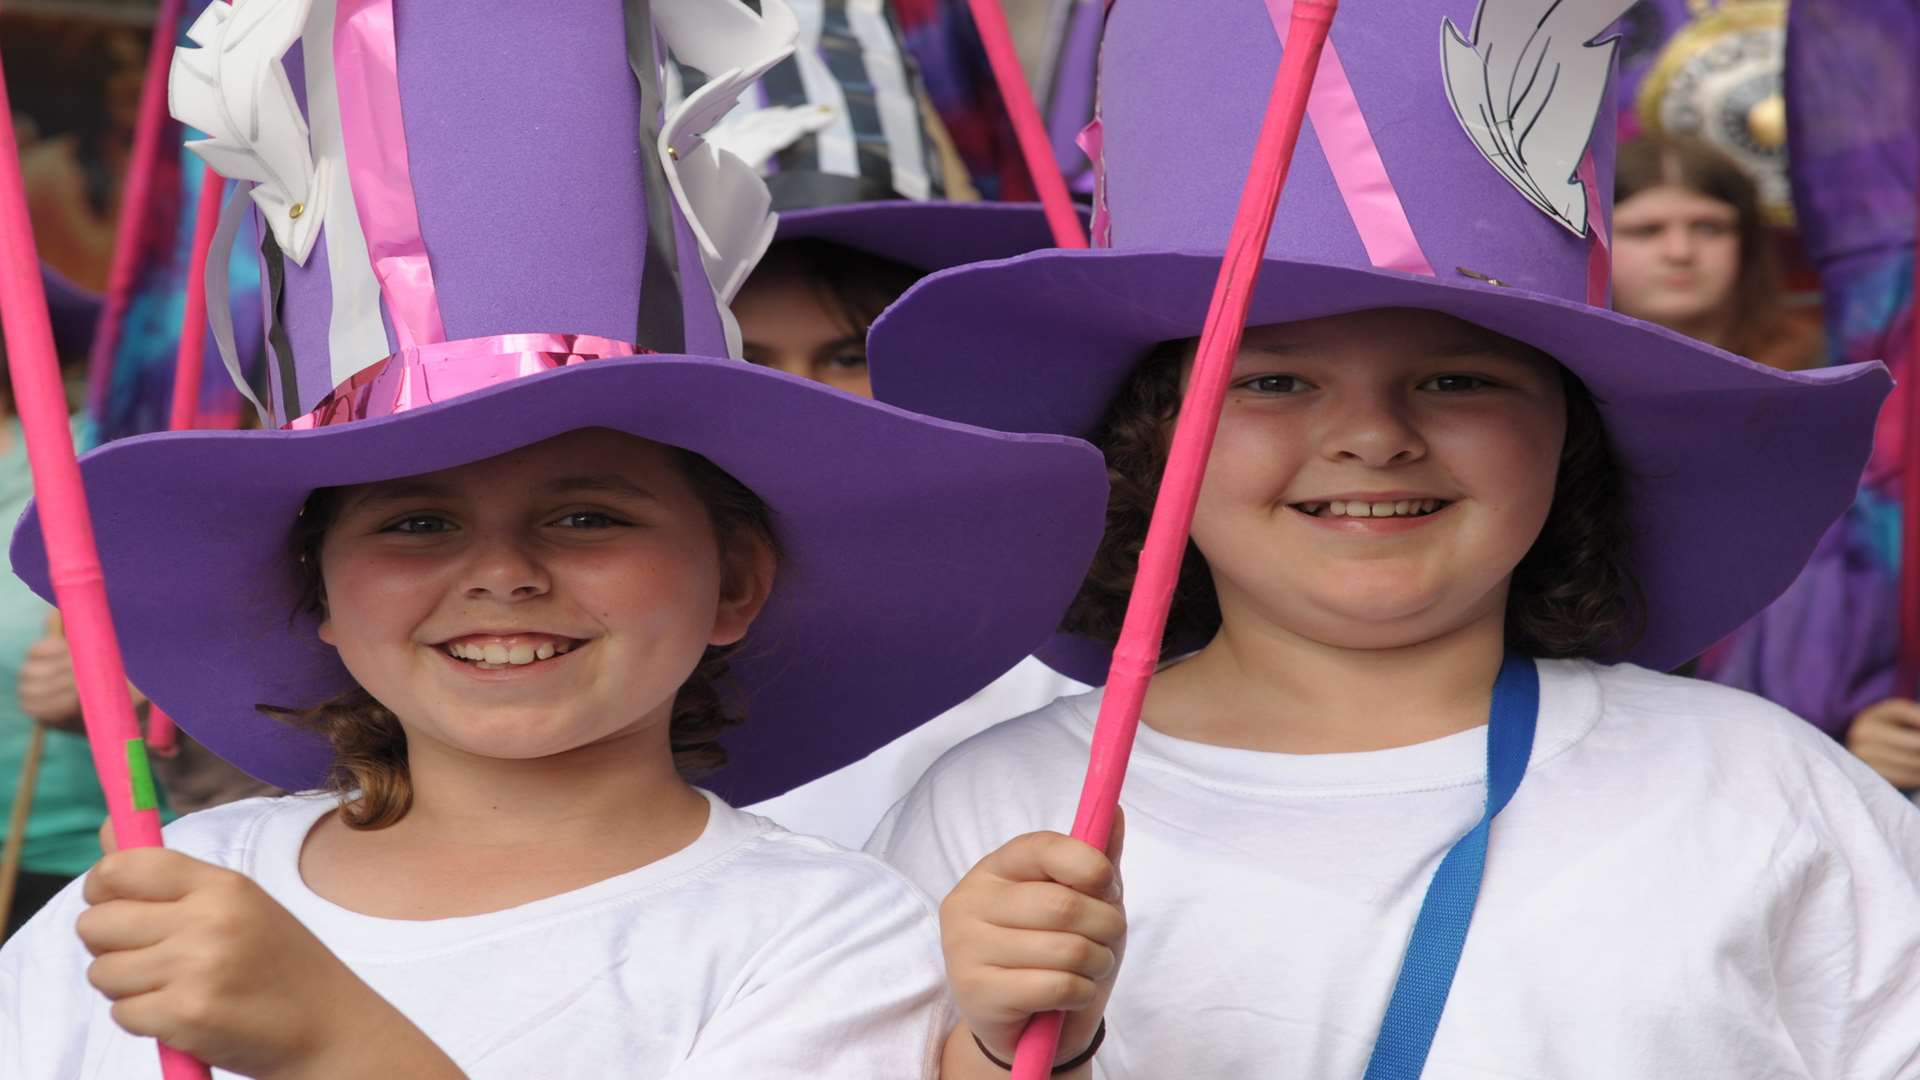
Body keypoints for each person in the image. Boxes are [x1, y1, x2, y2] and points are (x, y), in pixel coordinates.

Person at [0, 1, 1107, 1075]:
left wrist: (333, 1046)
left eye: (587, 517)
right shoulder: (167, 894)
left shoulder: (829, 936)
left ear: (736, 580)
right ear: (318, 592)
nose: (501, 574)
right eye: (417, 521)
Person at [860, 1, 1919, 1075]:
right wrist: (994, 1055)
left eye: (1458, 380)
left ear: (1572, 436)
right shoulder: (997, 814)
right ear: (1151, 442)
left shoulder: (1761, 792)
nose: (1372, 437)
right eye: (1273, 381)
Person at [691, 1, 1091, 847]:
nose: (806, 398)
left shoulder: (1051, 656)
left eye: (848, 353)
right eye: (752, 360)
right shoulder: (619, 650)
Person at [1611, 132, 1821, 372]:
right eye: (1646, 231)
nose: (1681, 252)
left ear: (1748, 242)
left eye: (1709, 228)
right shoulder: (1562, 390)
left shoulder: (1827, 367)